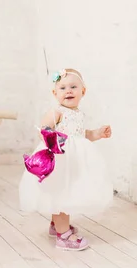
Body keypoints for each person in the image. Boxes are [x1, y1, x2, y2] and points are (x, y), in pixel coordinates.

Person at [19, 68, 113, 251]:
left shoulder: (78, 113)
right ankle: (63, 236)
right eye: (62, 88)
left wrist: (97, 133)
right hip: (60, 156)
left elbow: (81, 134)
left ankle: (57, 225)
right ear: (55, 93)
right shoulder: (57, 112)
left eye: (73, 87)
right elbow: (43, 129)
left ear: (83, 91)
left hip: (75, 160)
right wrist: (54, 138)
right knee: (62, 192)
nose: (68, 91)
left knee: (68, 190)